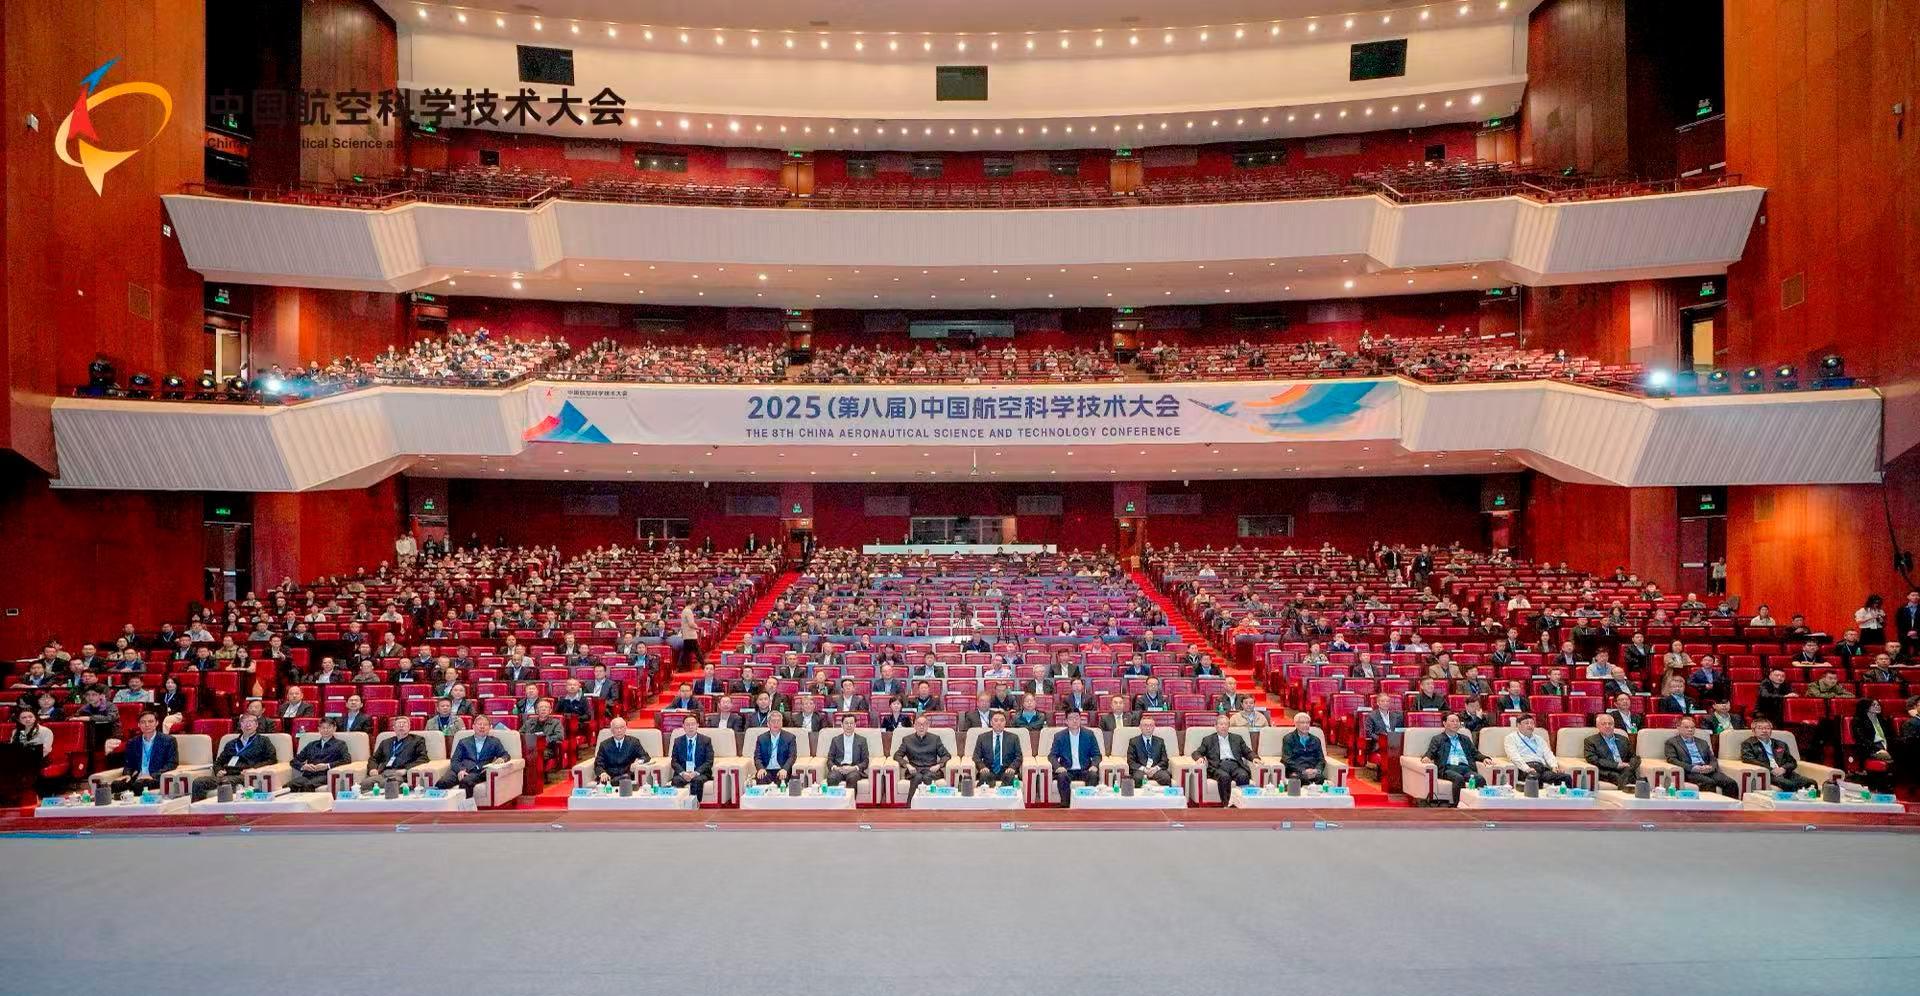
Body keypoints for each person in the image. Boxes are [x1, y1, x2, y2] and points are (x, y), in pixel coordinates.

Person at [192, 714, 277, 800]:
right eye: (244, 722)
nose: (248, 725)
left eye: (251, 722)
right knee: (198, 782)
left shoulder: (263, 741)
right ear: (241, 725)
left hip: (244, 775)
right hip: (227, 774)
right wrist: (218, 770)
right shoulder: (231, 743)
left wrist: (254, 769)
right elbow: (218, 762)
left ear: (256, 725)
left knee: (226, 782)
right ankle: (198, 808)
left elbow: (272, 759)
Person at [1422, 713, 1488, 806]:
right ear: (1444, 723)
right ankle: (1457, 806)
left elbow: (1475, 753)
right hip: (1448, 768)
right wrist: (1426, 757)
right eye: (1452, 721)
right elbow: (1430, 752)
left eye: (1457, 721)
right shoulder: (1438, 739)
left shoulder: (1465, 739)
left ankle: (1480, 805)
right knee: (1458, 779)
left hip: (1465, 768)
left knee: (1480, 779)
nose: (1456, 723)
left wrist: (1484, 758)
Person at [437, 714, 509, 797]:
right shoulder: (464, 742)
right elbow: (455, 760)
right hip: (461, 769)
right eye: (479, 724)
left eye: (485, 725)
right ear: (473, 727)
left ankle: (464, 805)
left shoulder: (494, 742)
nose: (482, 727)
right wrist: (460, 770)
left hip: (478, 772)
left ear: (490, 728)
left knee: (466, 782)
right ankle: (441, 804)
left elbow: (505, 754)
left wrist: (502, 759)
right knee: (442, 782)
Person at [1664, 718, 1738, 796]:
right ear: (1678, 728)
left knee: (1731, 783)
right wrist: (1692, 768)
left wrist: (1711, 767)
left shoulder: (1702, 742)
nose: (1690, 730)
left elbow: (1712, 758)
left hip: (1707, 770)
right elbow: (1672, 759)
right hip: (1690, 772)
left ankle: (1729, 804)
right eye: (1686, 727)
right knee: (1709, 782)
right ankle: (1711, 804)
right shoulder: (1672, 742)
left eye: (1692, 727)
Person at [1741, 716, 1813, 792]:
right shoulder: (1748, 744)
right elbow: (1748, 759)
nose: (1764, 731)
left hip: (1785, 772)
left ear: (1771, 730)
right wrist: (1771, 769)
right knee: (1789, 784)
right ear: (1753, 731)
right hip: (1769, 774)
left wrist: (1783, 769)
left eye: (1767, 728)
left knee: (1810, 783)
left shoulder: (1780, 744)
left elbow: (1792, 762)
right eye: (1760, 728)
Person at [893, 713, 951, 802]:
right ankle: (911, 805)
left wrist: (938, 765)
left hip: (931, 770)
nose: (921, 727)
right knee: (918, 777)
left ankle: (928, 804)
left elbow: (946, 755)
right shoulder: (907, 740)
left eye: (924, 724)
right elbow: (897, 755)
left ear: (928, 726)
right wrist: (907, 765)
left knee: (927, 777)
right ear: (914, 726)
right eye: (919, 724)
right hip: (914, 770)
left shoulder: (935, 739)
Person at [361, 715, 429, 791]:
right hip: (383, 773)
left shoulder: (417, 740)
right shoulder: (385, 742)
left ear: (409, 727)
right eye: (398, 724)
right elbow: (374, 758)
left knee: (387, 784)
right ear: (394, 728)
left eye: (404, 723)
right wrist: (372, 769)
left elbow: (423, 758)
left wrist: (406, 769)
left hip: (400, 774)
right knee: (365, 783)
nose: (401, 725)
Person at [1049, 710, 1102, 805]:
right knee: (1062, 777)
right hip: (1067, 770)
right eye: (1071, 718)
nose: (1074, 721)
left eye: (1077, 718)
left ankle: (1088, 805)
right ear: (1066, 721)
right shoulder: (1059, 736)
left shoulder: (1089, 734)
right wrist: (1058, 767)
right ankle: (1066, 806)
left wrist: (1094, 765)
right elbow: (1052, 755)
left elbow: (1097, 754)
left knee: (1093, 775)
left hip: (1085, 769)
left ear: (1080, 719)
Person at [286, 718, 353, 792]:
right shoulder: (312, 745)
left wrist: (327, 766)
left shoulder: (340, 744)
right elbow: (294, 761)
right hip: (308, 775)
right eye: (323, 728)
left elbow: (347, 759)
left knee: (307, 785)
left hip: (325, 775)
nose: (326, 730)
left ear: (334, 728)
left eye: (329, 727)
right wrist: (303, 766)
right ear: (319, 729)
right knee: (288, 786)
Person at [1502, 714, 1570, 787]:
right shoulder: (1511, 738)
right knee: (1534, 779)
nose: (1530, 725)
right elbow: (1514, 756)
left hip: (1542, 768)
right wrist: (1527, 769)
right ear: (1518, 725)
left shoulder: (1539, 739)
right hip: (1526, 768)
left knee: (1566, 777)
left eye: (1532, 723)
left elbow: (1548, 754)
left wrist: (1554, 766)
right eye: (1526, 723)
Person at [1583, 714, 1641, 791]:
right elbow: (1593, 759)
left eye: (1610, 724)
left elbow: (1634, 756)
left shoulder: (1623, 739)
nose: (1607, 726)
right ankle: (1633, 790)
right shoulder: (1590, 741)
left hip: (1625, 769)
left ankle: (1626, 792)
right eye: (1604, 724)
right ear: (1598, 726)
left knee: (1627, 771)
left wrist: (1630, 766)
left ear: (1614, 725)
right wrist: (1617, 765)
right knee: (1621, 776)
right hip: (1607, 770)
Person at [1851, 699, 1895, 792]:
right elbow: (1862, 740)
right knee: (1895, 756)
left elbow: (1891, 736)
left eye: (1878, 704)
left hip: (1885, 746)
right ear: (1866, 707)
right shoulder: (1858, 721)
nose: (1877, 706)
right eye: (1873, 705)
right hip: (1869, 749)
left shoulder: (1883, 720)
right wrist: (1877, 749)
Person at [592, 717, 652, 785]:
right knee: (606, 781)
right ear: (611, 730)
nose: (619, 730)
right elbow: (598, 764)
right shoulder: (604, 745)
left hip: (628, 776)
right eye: (616, 728)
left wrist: (637, 763)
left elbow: (645, 756)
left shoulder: (633, 742)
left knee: (626, 778)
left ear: (626, 728)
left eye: (622, 727)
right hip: (610, 776)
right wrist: (602, 773)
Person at [668, 714, 714, 801]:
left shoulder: (706, 740)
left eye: (693, 724)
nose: (690, 727)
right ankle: (679, 805)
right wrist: (683, 773)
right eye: (687, 725)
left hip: (700, 773)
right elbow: (674, 761)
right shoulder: (678, 741)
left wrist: (696, 773)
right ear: (683, 726)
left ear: (697, 725)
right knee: (676, 780)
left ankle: (694, 805)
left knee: (697, 780)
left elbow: (709, 761)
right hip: (684, 772)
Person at [1277, 712, 1327, 786]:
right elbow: (1287, 759)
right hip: (1296, 771)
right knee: (1298, 779)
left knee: (1321, 778)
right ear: (1296, 724)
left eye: (1307, 723)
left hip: (1313, 771)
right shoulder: (1288, 738)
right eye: (1302, 723)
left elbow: (1321, 759)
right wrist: (1303, 771)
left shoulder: (1316, 740)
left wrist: (1317, 770)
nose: (1305, 725)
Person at [823, 714, 870, 790]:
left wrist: (853, 768)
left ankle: (850, 798)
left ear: (855, 725)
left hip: (853, 769)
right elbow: (830, 759)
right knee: (832, 777)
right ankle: (833, 798)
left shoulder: (862, 740)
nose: (849, 725)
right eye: (846, 723)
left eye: (851, 723)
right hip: (839, 768)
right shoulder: (835, 740)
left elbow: (865, 761)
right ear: (842, 725)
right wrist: (835, 768)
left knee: (852, 777)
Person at [1126, 713, 1172, 787]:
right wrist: (1144, 769)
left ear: (1154, 727)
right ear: (1140, 727)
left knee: (1166, 778)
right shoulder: (1133, 742)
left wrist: (1155, 768)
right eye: (1145, 725)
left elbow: (1164, 760)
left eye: (1150, 725)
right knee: (1138, 778)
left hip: (1156, 769)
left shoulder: (1160, 741)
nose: (1148, 728)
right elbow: (1131, 761)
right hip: (1141, 770)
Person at [753, 712, 798, 785]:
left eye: (778, 721)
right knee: (761, 777)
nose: (776, 724)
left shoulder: (790, 737)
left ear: (782, 723)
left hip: (782, 770)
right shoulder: (761, 738)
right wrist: (760, 768)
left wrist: (785, 769)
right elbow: (757, 757)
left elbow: (792, 756)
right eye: (773, 721)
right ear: (768, 724)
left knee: (782, 780)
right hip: (766, 770)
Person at [522, 699, 567, 770]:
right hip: (529, 748)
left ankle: (538, 775)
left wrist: (544, 740)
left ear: (550, 710)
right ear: (536, 711)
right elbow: (520, 734)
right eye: (541, 707)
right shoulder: (529, 722)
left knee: (535, 755)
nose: (543, 709)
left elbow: (560, 736)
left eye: (546, 707)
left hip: (546, 749)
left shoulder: (556, 722)